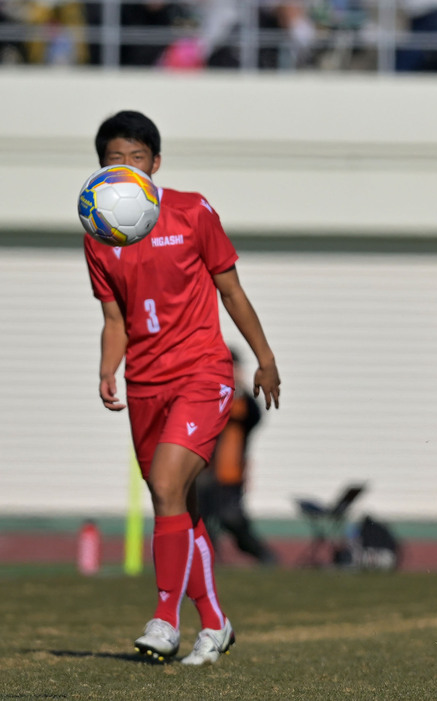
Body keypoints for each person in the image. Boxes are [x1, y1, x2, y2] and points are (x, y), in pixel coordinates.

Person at [83, 110, 281, 665]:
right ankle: (215, 623)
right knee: (175, 504)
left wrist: (264, 359)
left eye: (136, 158)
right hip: (144, 383)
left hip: (202, 372)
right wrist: (107, 369)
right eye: (114, 159)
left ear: (157, 163)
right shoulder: (98, 233)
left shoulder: (192, 211)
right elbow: (115, 318)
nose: (125, 168)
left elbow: (232, 292)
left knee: (169, 484)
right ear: (99, 166)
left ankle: (165, 619)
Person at [197, 348, 277, 565]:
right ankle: (207, 563)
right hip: (205, 475)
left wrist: (237, 391)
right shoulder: (207, 399)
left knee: (233, 519)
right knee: (202, 523)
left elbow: (254, 418)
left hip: (231, 475)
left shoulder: (244, 404)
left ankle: (265, 556)